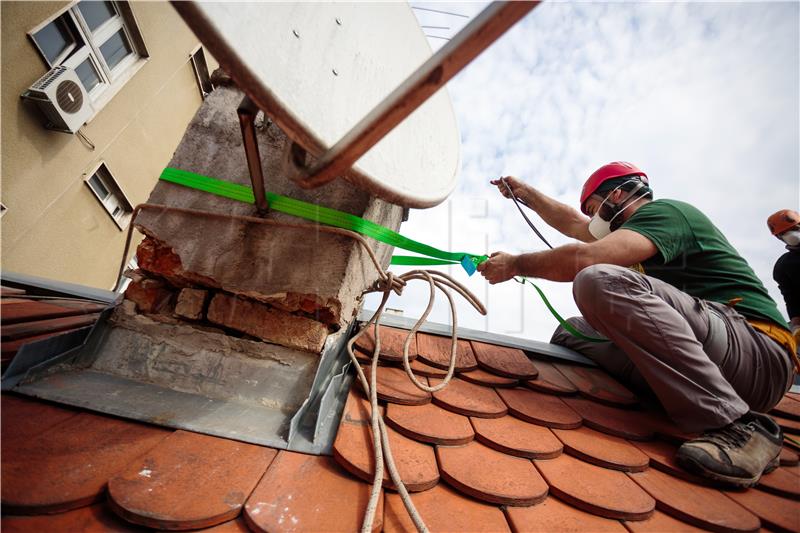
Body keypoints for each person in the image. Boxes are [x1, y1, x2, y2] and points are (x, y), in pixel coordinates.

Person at [477, 161, 798, 487]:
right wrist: (525, 194)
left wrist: (515, 264)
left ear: (617, 194)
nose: (592, 222)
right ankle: (668, 397)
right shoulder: (629, 235)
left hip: (759, 354)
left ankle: (739, 427)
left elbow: (587, 258)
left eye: (595, 210)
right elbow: (575, 226)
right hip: (716, 354)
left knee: (598, 280)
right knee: (572, 332)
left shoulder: (667, 213)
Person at [768, 209, 800, 347]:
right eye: (785, 233)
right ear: (778, 237)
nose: (792, 235)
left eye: (795, 229)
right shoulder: (783, 266)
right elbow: (791, 299)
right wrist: (796, 326)